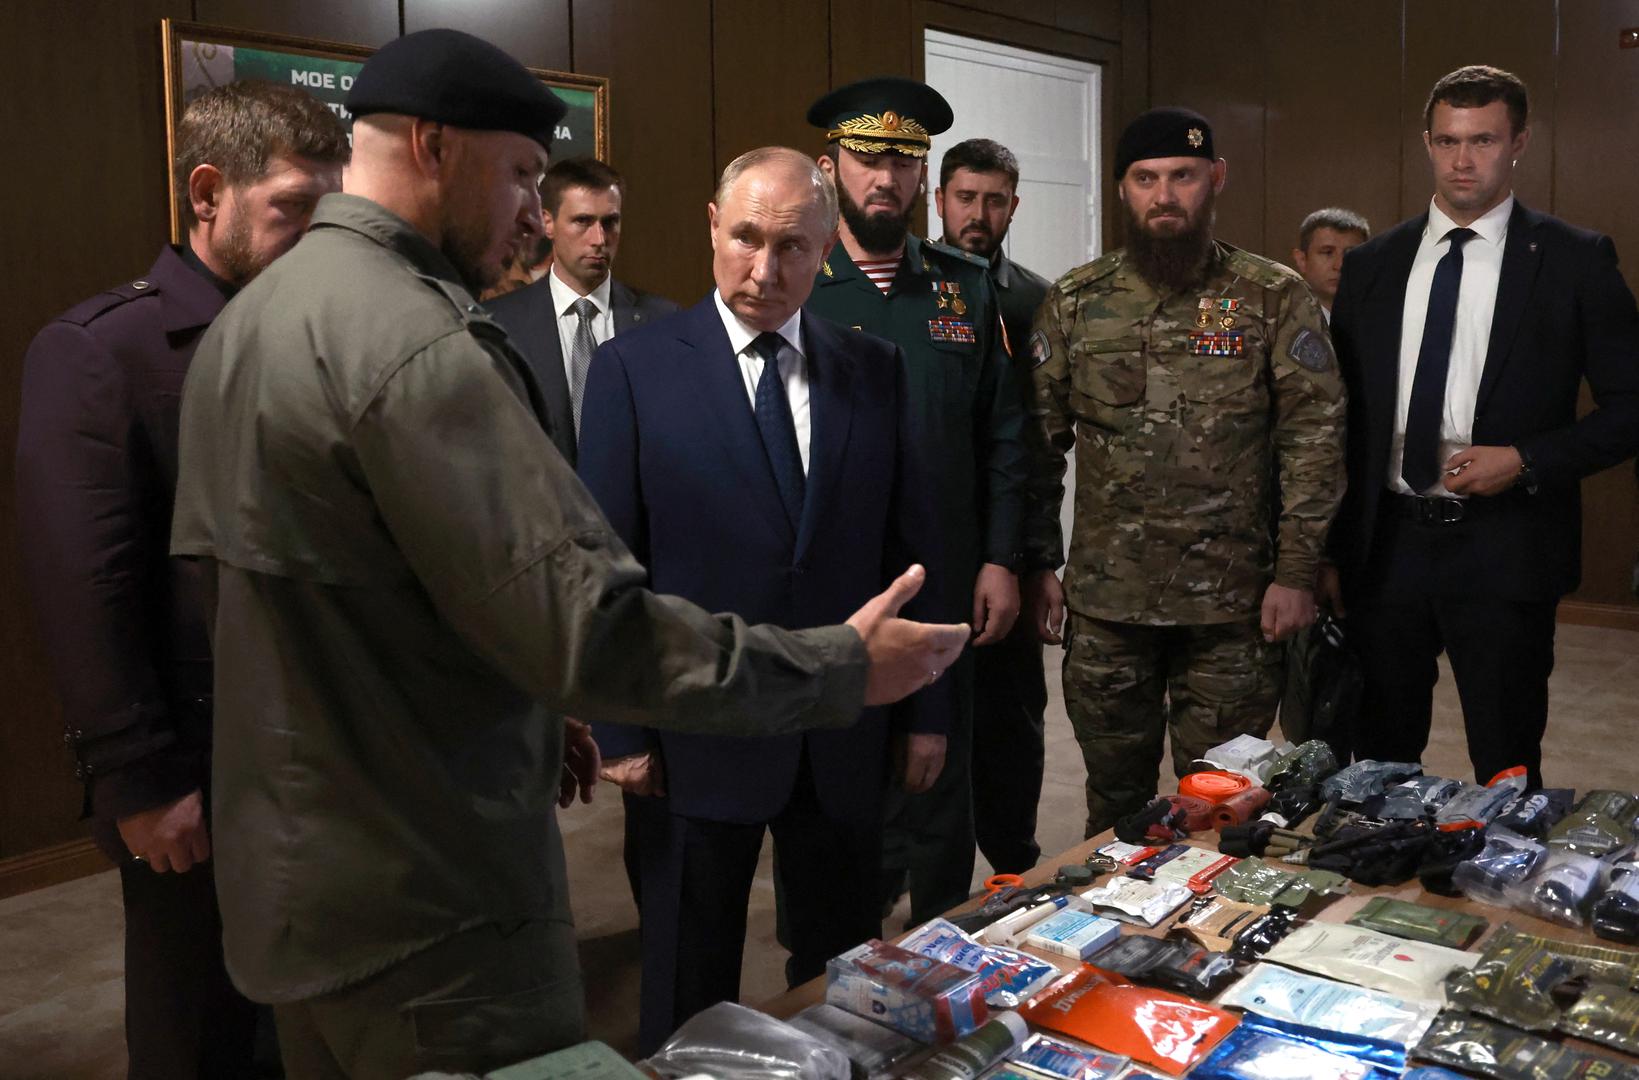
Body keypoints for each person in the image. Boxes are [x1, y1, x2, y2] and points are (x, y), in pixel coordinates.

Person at [167, 30, 969, 1079]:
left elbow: (330, 600)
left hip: (299, 887)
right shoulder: (417, 341)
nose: (530, 218)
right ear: (432, 145)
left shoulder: (254, 312)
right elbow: (585, 621)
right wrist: (842, 667)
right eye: (518, 178)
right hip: (432, 909)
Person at [580, 146, 945, 1052]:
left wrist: (925, 711)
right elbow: (605, 562)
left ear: (826, 248)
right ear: (712, 226)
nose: (763, 268)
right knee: (686, 969)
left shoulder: (874, 370)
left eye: (791, 247)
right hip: (692, 727)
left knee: (840, 971)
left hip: (840, 729)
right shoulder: (634, 370)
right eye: (744, 238)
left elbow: (910, 555)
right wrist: (620, 730)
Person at [15, 80, 345, 1079]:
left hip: (327, 763)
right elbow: (85, 588)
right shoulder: (104, 351)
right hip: (196, 771)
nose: (317, 237)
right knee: (199, 1029)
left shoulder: (322, 329)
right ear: (208, 193)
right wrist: (141, 781)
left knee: (312, 1029)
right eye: (292, 208)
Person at [1023, 107, 1346, 838]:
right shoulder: (1074, 302)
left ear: (1215, 180)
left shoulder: (1270, 297)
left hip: (1233, 610)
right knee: (1115, 809)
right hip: (1109, 609)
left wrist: (1295, 573)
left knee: (1221, 807)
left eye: (1181, 177)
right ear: (1121, 190)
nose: (1163, 195)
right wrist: (1039, 560)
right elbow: (1037, 449)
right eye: (1144, 179)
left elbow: (1313, 439)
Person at [1322, 65, 1639, 788]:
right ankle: (1381, 886)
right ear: (1426, 143)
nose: (1461, 160)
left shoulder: (1573, 260)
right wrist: (1329, 548)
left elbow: (1630, 409)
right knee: (1378, 760)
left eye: (1483, 140)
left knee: (1504, 758)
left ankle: (1493, 890)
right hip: (1387, 546)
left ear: (1519, 142)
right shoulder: (1372, 265)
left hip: (1504, 546)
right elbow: (1339, 421)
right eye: (1446, 140)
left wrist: (1525, 458)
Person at [806, 77, 1030, 925]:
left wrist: (1002, 557)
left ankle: (941, 940)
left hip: (945, 569)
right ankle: (836, 945)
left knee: (941, 771)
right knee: (843, 769)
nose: (885, 179)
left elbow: (1004, 437)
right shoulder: (800, 279)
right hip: (833, 578)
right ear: (832, 168)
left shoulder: (963, 288)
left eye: (904, 162)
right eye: (868, 159)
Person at [933, 136, 1051, 874]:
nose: (979, 214)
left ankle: (1011, 864)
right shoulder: (913, 289)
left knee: (1011, 720)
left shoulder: (1034, 299)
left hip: (1009, 540)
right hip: (932, 539)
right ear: (939, 199)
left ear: (1014, 204)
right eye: (965, 197)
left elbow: (1038, 447)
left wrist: (1039, 561)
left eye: (994, 200)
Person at [487, 157, 679, 463]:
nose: (599, 240)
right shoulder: (499, 325)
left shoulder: (663, 322)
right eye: (583, 221)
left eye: (610, 222)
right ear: (547, 222)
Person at [1291, 207, 1370, 321]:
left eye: (1351, 254)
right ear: (1302, 260)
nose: (1339, 265)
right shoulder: (1274, 327)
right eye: (1327, 252)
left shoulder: (1388, 321)